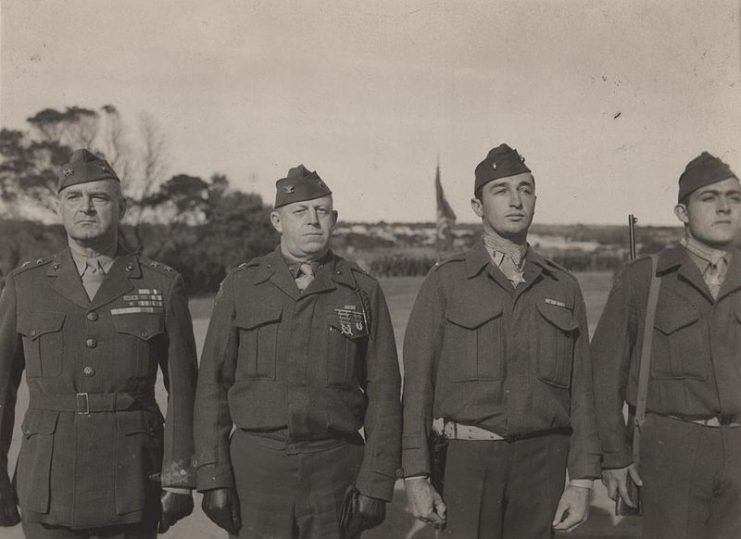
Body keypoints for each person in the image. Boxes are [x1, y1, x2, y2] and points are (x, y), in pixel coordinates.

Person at [402, 144, 601, 538]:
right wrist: (415, 474)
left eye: (525, 189)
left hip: (542, 462)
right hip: (466, 463)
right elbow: (418, 386)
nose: (516, 200)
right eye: (502, 190)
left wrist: (580, 482)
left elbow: (582, 394)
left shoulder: (562, 285)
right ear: (477, 206)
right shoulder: (446, 283)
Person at [194, 164, 402, 539]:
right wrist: (213, 476)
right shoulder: (243, 285)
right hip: (257, 468)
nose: (312, 221)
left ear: (334, 219)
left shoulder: (361, 290)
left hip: (335, 468)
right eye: (299, 212)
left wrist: (375, 482)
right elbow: (212, 385)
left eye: (322, 211)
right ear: (277, 220)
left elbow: (385, 392)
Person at [0, 149, 198, 538]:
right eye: (74, 197)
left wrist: (178, 477)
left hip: (133, 481)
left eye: (100, 198)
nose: (86, 208)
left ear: (121, 208)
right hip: (47, 482)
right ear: (59, 208)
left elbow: (184, 390)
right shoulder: (26, 285)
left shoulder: (161, 284)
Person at [592, 151, 741, 538]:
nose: (725, 208)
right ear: (682, 212)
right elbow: (605, 377)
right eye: (709, 198)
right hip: (673, 450)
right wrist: (614, 457)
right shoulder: (647, 278)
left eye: (734, 198)